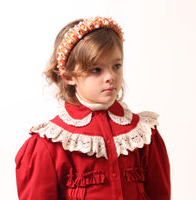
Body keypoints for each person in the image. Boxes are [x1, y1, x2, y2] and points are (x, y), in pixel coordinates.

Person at [15, 17, 171, 200]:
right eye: (96, 69)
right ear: (68, 76)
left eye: (116, 66)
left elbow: (160, 194)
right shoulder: (49, 144)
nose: (110, 77)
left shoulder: (142, 135)